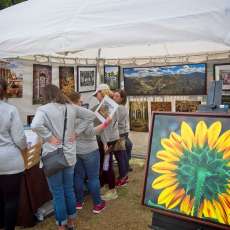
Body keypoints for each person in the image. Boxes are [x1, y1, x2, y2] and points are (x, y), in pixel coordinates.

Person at [31, 84, 95, 230]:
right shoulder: (71, 107)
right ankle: (71, 222)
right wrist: (77, 132)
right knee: (68, 189)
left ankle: (62, 224)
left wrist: (49, 137)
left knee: (58, 193)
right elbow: (90, 115)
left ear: (45, 95)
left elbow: (35, 125)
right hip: (70, 155)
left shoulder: (44, 109)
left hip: (53, 155)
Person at [67, 91, 111, 214]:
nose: (82, 102)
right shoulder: (82, 113)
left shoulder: (66, 113)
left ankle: (79, 202)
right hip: (90, 150)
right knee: (93, 178)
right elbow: (90, 132)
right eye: (80, 100)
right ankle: (97, 204)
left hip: (76, 150)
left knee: (78, 176)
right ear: (76, 101)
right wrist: (105, 124)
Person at [0, 78, 27, 230]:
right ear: (4, 90)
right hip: (9, 160)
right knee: (11, 199)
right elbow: (20, 139)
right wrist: (24, 147)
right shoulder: (10, 109)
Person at [92, 84, 121, 200]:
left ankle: (112, 190)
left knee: (106, 164)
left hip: (108, 139)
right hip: (109, 138)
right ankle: (105, 185)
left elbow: (105, 126)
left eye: (96, 94)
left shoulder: (107, 105)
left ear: (102, 92)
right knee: (104, 163)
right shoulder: (109, 103)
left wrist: (104, 143)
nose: (96, 97)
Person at [113, 90, 133, 173]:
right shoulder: (120, 106)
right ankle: (127, 167)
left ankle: (123, 174)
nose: (114, 97)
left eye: (117, 96)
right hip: (123, 132)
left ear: (122, 98)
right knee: (126, 148)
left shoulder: (119, 107)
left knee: (121, 154)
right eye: (114, 96)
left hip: (120, 133)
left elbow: (115, 121)